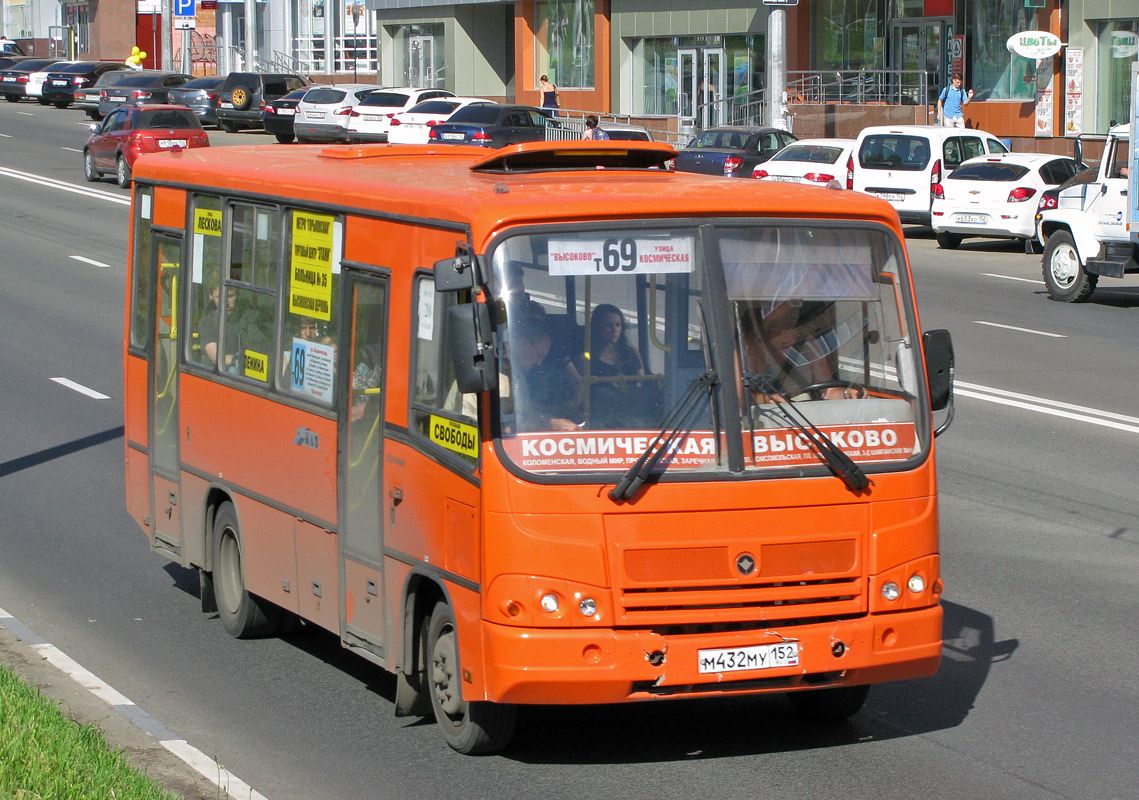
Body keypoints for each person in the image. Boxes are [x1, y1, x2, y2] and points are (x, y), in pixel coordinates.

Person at [735, 300, 865, 405]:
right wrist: (765, 399)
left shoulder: (806, 341)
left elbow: (826, 390)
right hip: (763, 424)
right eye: (784, 302)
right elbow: (738, 398)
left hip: (804, 421)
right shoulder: (745, 347)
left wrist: (847, 394)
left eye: (796, 305)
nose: (791, 308)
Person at [511, 317, 583, 431]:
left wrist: (554, 419)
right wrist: (552, 425)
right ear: (525, 343)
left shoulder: (518, 374)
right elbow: (508, 427)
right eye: (539, 355)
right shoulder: (501, 375)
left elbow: (527, 413)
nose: (539, 363)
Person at [581, 304, 643, 427]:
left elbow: (641, 383)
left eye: (618, 325)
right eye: (608, 325)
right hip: (600, 414)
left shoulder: (632, 354)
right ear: (597, 328)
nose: (614, 330)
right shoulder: (587, 356)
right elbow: (583, 389)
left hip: (629, 411)